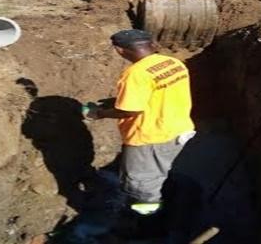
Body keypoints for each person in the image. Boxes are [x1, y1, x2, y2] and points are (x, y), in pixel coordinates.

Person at [84, 29, 196, 215]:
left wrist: (99, 113)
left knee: (141, 185)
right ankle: (156, 202)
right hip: (178, 128)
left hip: (150, 137)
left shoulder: (135, 74)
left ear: (119, 50)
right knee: (157, 172)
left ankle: (145, 221)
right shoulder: (173, 62)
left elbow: (131, 110)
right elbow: (160, 93)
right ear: (151, 44)